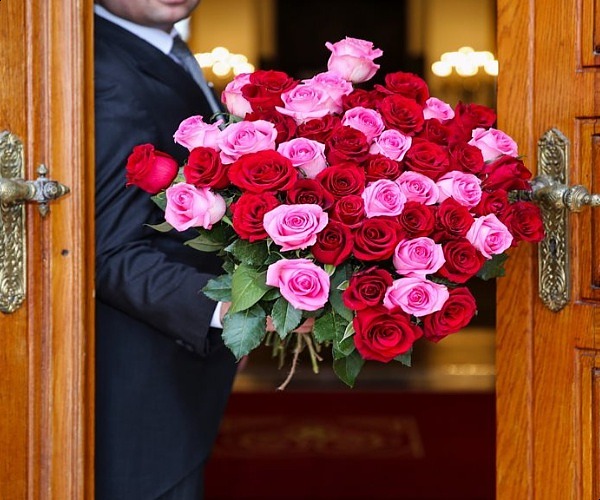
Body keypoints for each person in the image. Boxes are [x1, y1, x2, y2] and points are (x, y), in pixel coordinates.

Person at [94, 1, 237, 498]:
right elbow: (106, 250)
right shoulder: (101, 67)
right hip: (137, 372)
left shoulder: (162, 45)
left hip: (176, 368)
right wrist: (229, 307)